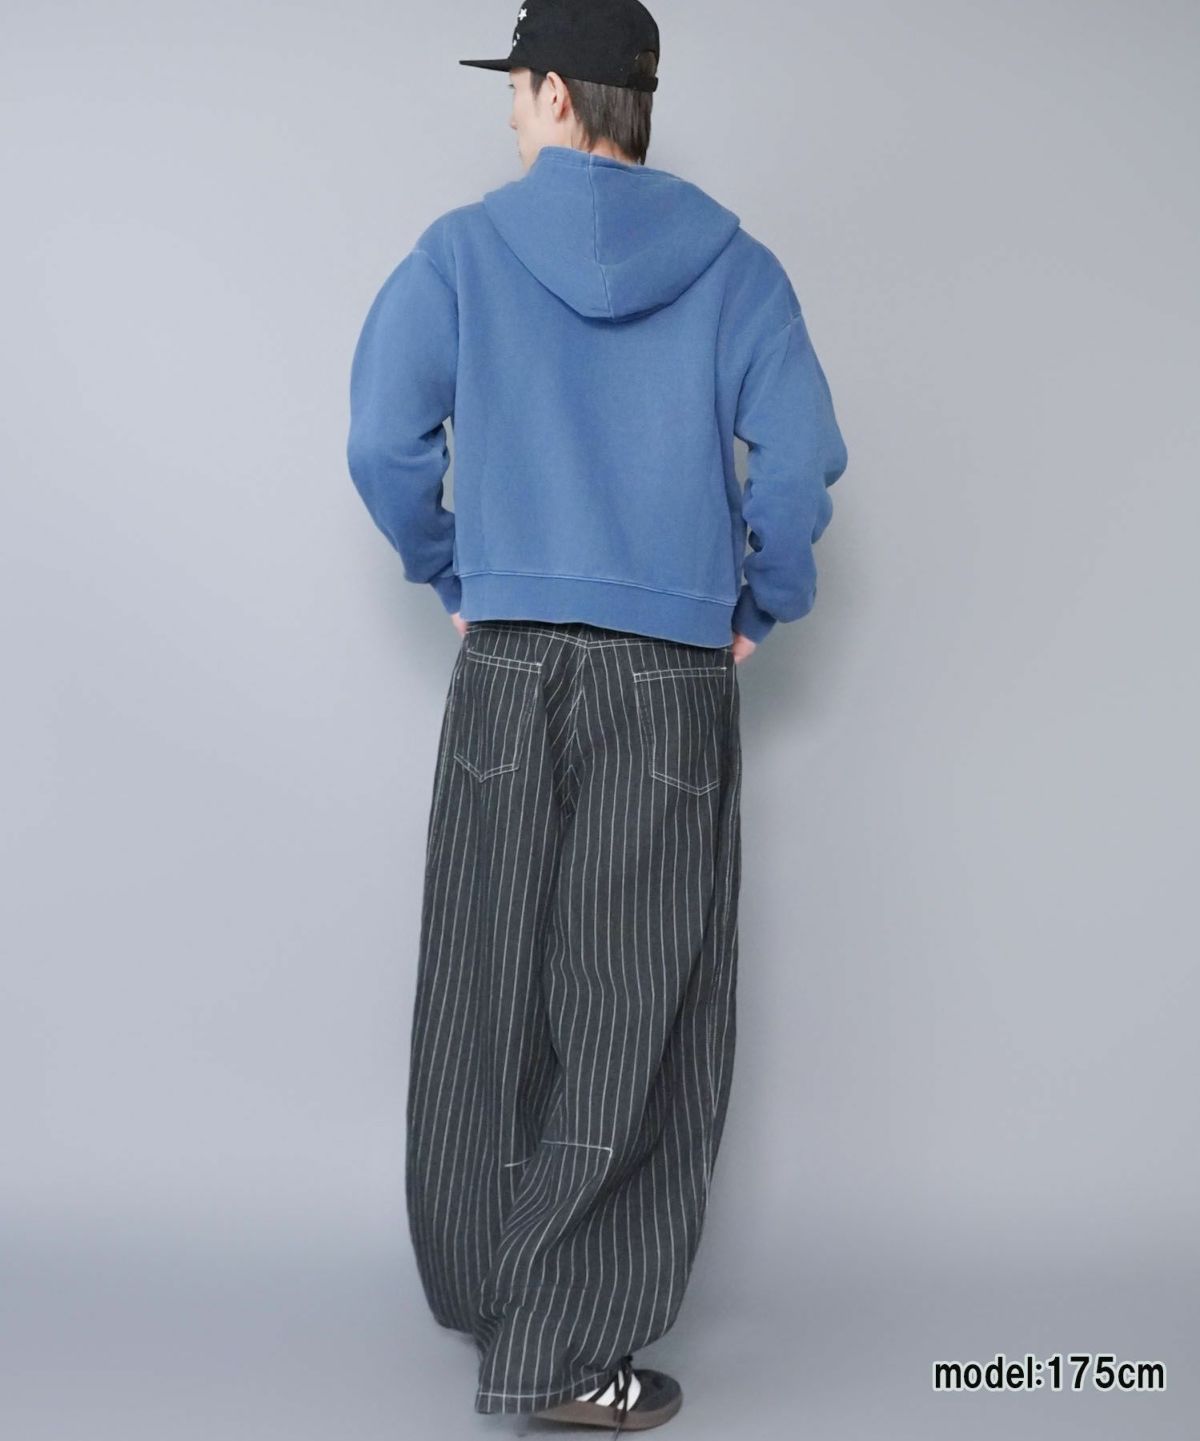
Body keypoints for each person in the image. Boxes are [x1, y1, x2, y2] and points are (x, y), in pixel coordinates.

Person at [345, 0, 848, 1430]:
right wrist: (758, 599)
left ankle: (496, 1297)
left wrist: (457, 570)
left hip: (508, 663)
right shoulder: (737, 270)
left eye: (517, 89)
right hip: (668, 677)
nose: (510, 114)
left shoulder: (461, 254)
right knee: (634, 1005)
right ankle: (567, 1334)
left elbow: (382, 440)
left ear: (560, 95)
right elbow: (799, 463)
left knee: (484, 981)